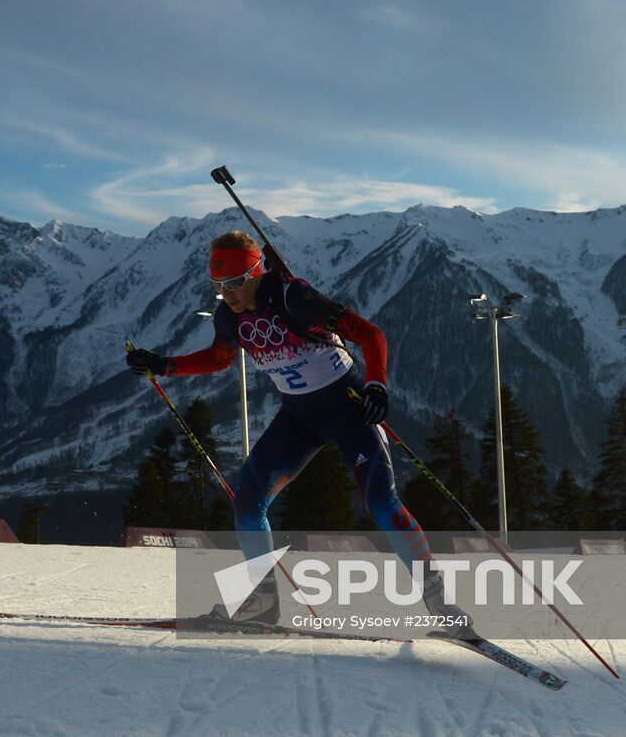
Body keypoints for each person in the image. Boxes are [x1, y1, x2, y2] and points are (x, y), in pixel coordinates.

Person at [126, 231, 466, 632]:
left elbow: (370, 334)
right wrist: (165, 365)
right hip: (298, 416)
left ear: (255, 272)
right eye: (218, 286)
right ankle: (263, 600)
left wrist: (376, 384)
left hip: (348, 407)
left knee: (381, 502)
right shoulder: (228, 317)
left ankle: (442, 605)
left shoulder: (294, 298)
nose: (228, 294)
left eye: (235, 283)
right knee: (248, 501)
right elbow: (219, 359)